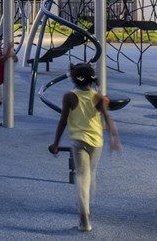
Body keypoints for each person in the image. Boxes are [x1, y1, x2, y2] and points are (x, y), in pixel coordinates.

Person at [48, 62, 121, 233]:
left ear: (73, 78)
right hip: (96, 141)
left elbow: (63, 121)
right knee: (91, 173)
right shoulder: (99, 97)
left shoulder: (69, 96)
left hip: (78, 141)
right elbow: (108, 118)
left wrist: (56, 143)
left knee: (82, 175)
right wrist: (114, 136)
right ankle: (88, 205)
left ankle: (84, 215)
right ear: (92, 78)